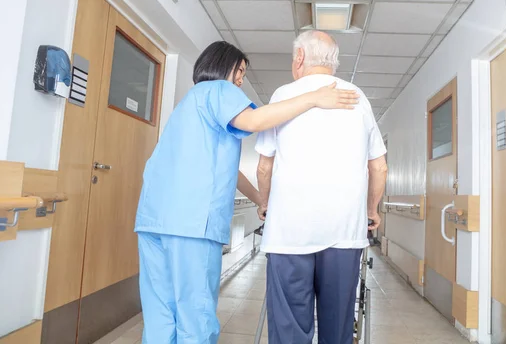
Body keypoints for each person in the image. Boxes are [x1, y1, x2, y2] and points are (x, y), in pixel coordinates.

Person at [133, 40, 359, 344]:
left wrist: (261, 200)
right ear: (221, 65)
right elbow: (254, 121)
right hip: (191, 224)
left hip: (153, 221)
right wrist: (314, 98)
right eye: (239, 71)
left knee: (160, 317)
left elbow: (228, 171)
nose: (241, 79)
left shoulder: (189, 103)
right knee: (195, 317)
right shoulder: (219, 90)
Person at [255, 30, 389, 344]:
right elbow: (379, 166)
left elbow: (264, 166)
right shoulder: (357, 97)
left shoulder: (283, 94)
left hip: (290, 234)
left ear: (299, 58)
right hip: (344, 234)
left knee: (290, 329)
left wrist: (265, 203)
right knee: (338, 328)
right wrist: (371, 210)